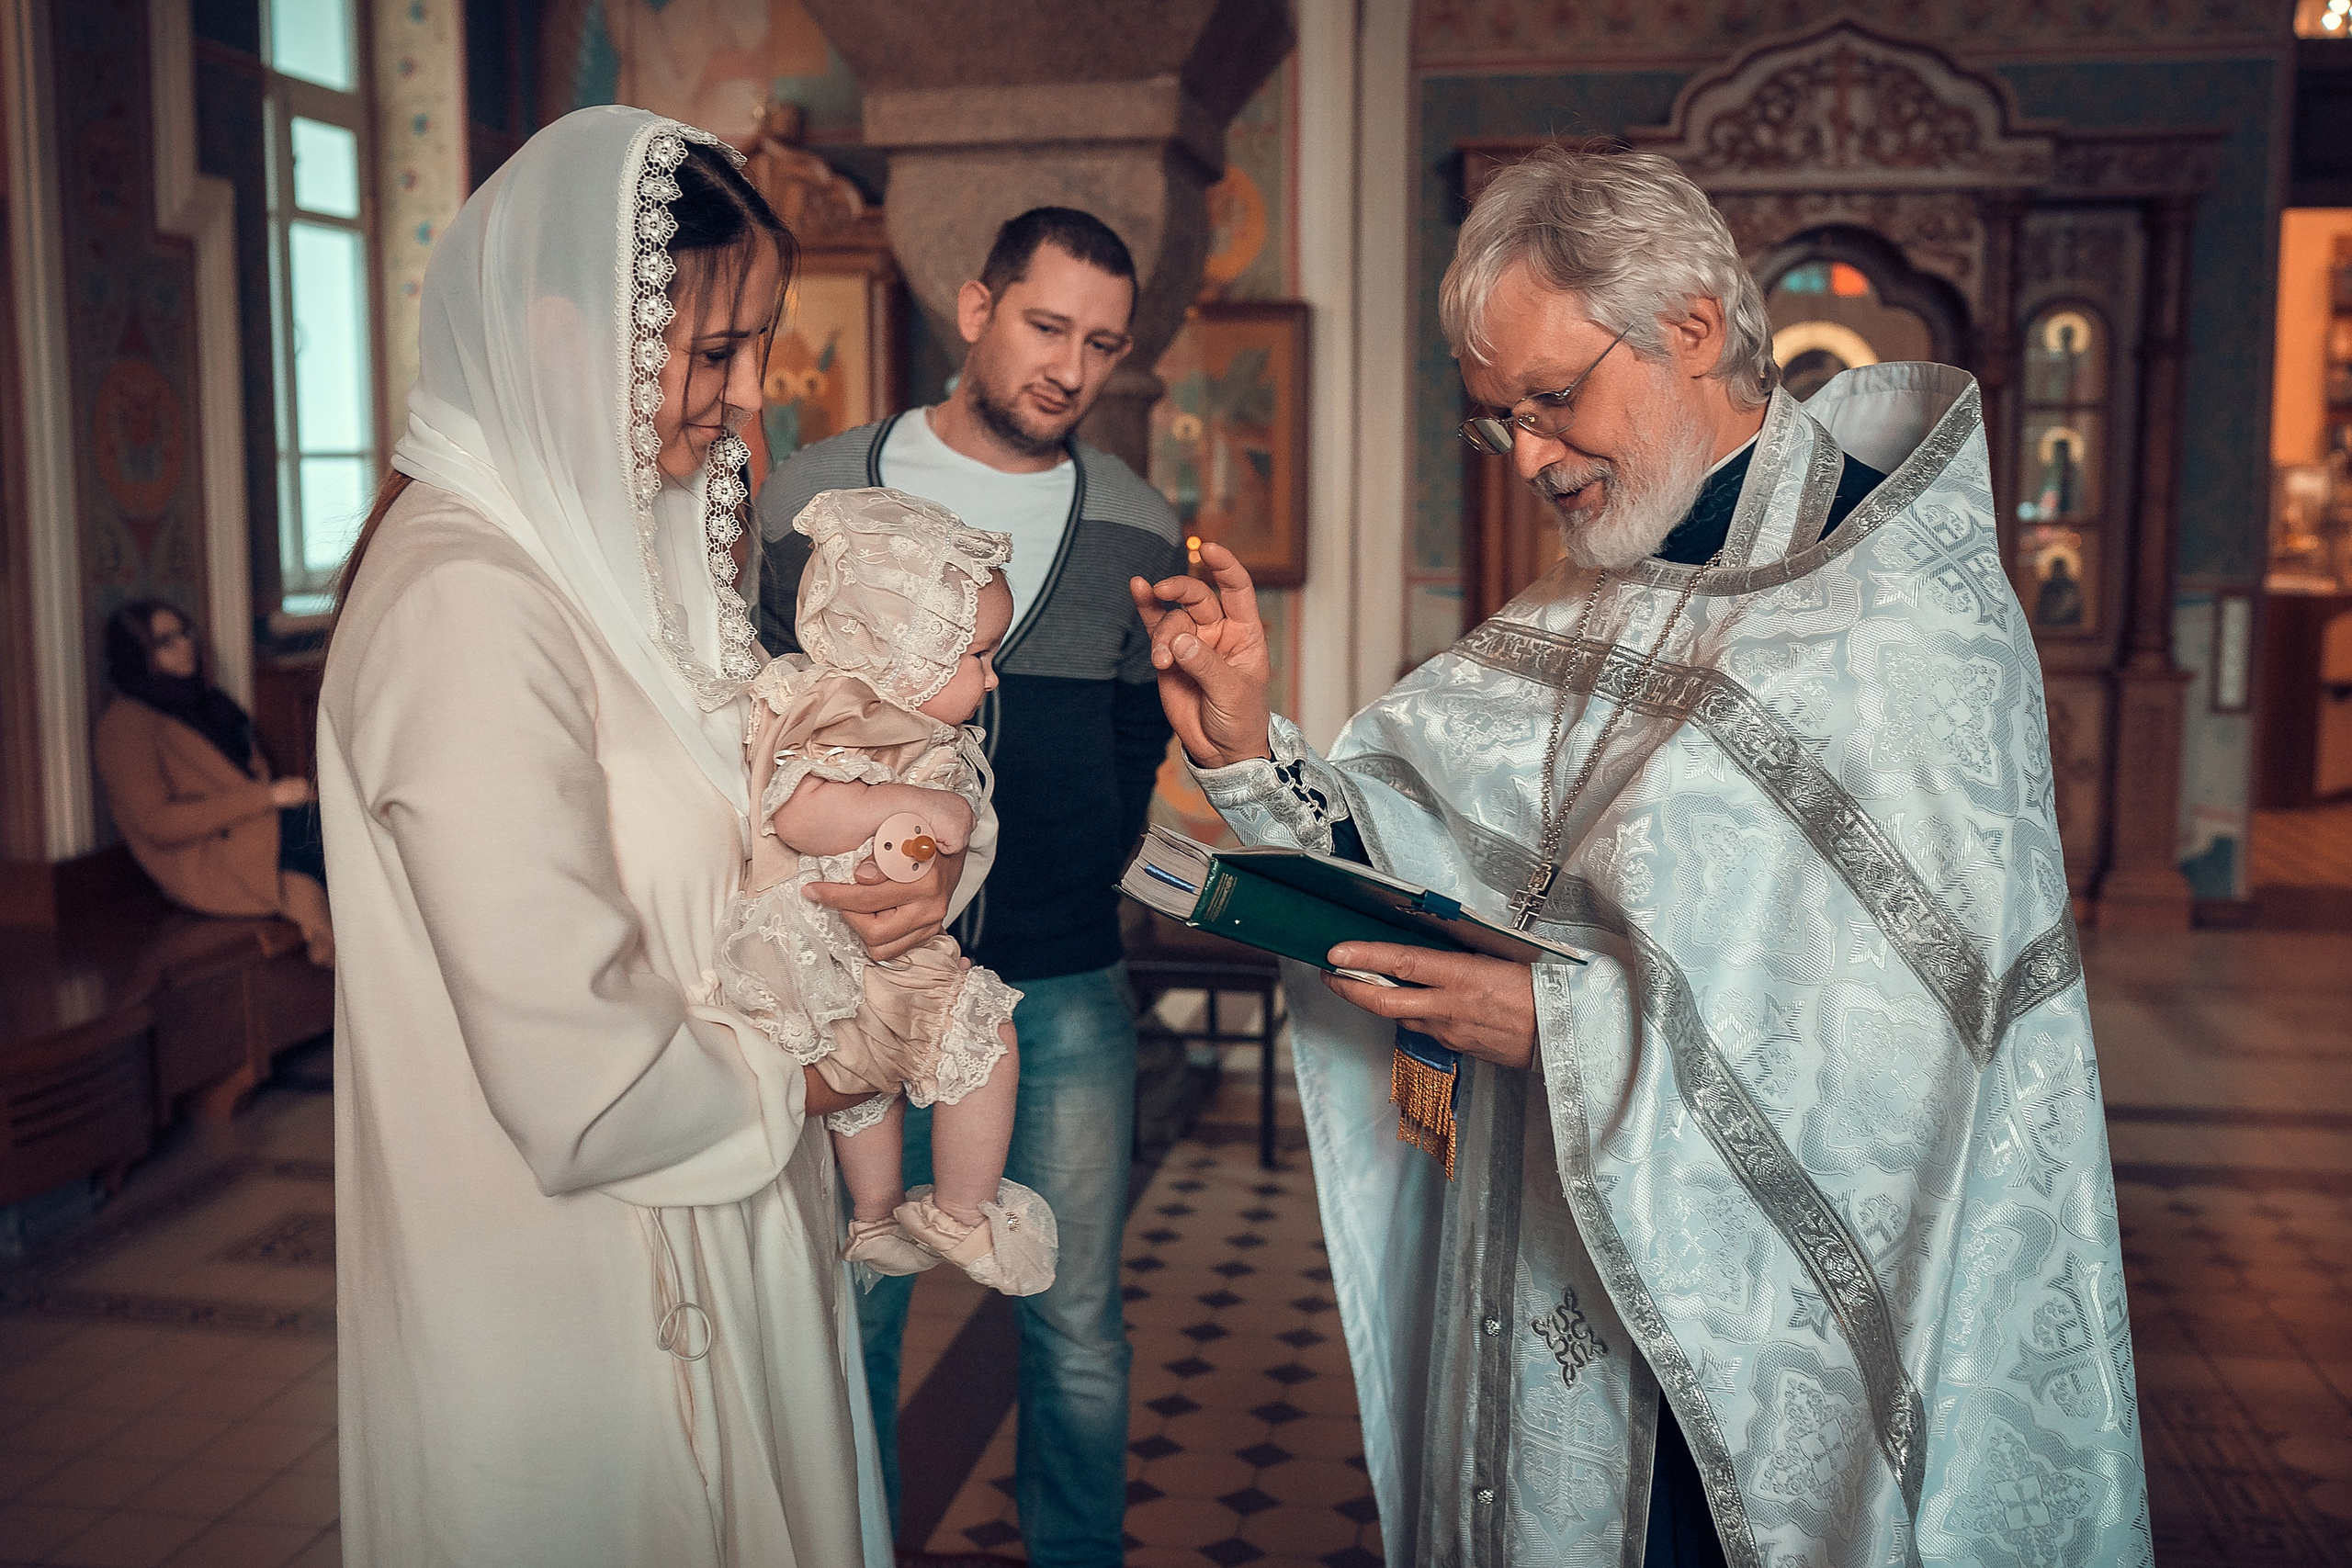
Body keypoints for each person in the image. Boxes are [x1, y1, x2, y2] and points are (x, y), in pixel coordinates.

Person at [1134, 145, 2148, 1567]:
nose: (1533, 454)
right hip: (1546, 1230)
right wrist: (1249, 742)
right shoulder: (1615, 576)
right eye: (1502, 420)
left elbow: (1910, 1055)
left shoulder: (1904, 621)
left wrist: (1554, 1016)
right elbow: (1427, 841)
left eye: (1553, 397)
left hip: (1739, 1326)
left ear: (1687, 324)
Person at [319, 107, 948, 1566]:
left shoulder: (607, 570)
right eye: (711, 351)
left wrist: (871, 880)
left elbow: (724, 844)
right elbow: (584, 1078)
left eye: (755, 350)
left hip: (721, 1228)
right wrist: (822, 1052)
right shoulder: (464, 606)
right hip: (587, 1306)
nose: (745, 402)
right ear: (563, 333)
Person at [755, 206, 1182, 1563]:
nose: (1070, 364)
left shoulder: (1133, 516)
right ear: (977, 305)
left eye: (1101, 344)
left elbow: (1134, 724)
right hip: (847, 977)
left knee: (1075, 1320)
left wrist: (1085, 876)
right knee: (854, 1299)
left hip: (1059, 978)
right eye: (1048, 325)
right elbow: (755, 712)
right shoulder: (817, 487)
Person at [718, 488, 1053, 1296]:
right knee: (983, 1029)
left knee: (864, 1092)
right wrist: (918, 809)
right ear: (906, 656)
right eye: (975, 654)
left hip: (857, 949)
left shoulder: (918, 733)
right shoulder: (833, 712)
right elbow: (797, 809)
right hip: (818, 944)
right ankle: (961, 1211)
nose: (993, 675)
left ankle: (873, 1214)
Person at [93, 599, 333, 964]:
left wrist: (271, 797)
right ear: (136, 654)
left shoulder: (209, 702)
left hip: (257, 835)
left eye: (184, 634)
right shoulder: (125, 725)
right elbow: (158, 823)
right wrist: (267, 797)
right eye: (164, 642)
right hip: (207, 860)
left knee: (336, 834)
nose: (184, 645)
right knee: (329, 836)